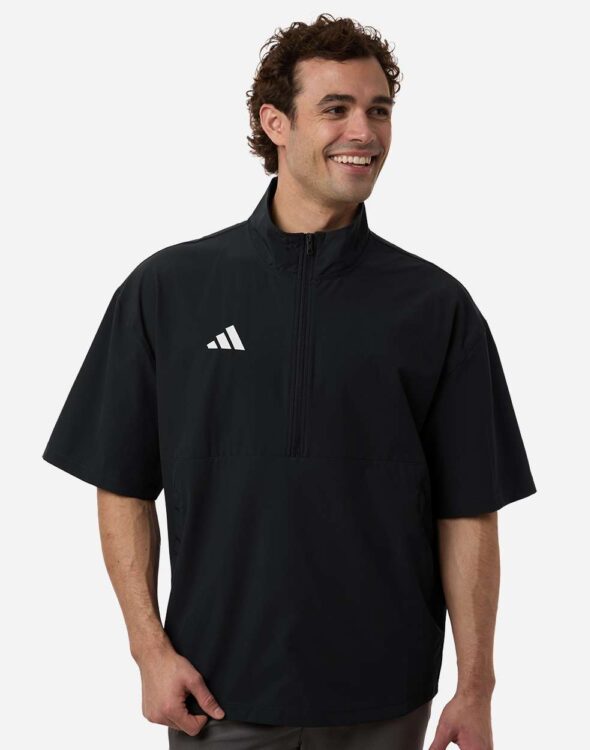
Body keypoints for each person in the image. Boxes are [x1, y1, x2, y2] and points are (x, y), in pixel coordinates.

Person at [41, 13, 537, 750]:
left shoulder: (436, 307)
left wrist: (476, 685)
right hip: (215, 694)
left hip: (386, 698)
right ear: (275, 123)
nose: (364, 132)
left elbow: (469, 509)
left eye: (378, 110)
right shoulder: (169, 289)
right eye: (336, 108)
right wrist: (148, 651)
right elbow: (121, 482)